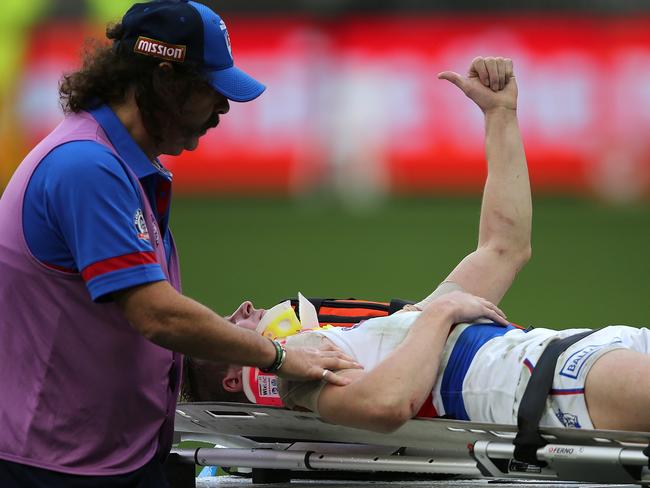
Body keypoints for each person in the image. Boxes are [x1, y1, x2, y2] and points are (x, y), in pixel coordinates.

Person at [186, 56, 650, 436]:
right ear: (236, 377)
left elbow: (504, 247)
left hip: (586, 352)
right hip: (553, 383)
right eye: (231, 321)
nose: (244, 306)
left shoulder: (389, 334)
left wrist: (500, 116)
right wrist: (438, 313)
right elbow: (387, 404)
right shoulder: (298, 380)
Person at [0, 1, 360, 486]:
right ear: (165, 77)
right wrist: (277, 356)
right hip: (59, 467)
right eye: (211, 88)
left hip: (102, 455)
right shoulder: (88, 167)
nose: (223, 107)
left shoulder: (110, 159)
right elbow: (156, 314)